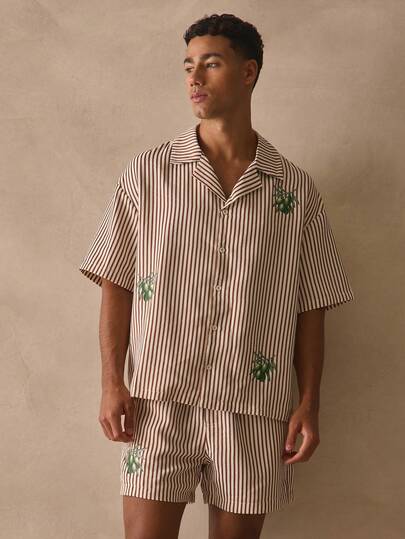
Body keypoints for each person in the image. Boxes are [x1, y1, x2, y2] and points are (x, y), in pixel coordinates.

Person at [78, 13, 354, 539]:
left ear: (248, 72)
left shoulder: (294, 191)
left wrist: (309, 403)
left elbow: (311, 305)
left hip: (253, 408)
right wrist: (112, 382)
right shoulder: (149, 174)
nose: (194, 79)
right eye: (188, 66)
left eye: (211, 64)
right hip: (159, 401)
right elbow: (116, 281)